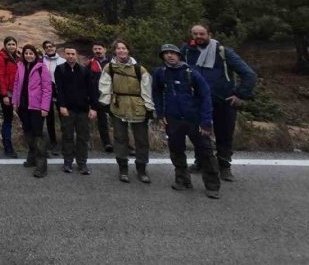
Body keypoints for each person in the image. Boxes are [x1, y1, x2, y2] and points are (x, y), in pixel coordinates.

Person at [182, 24, 257, 182]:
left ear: (209, 34)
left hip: (223, 100)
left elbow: (249, 74)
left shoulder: (223, 52)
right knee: (199, 134)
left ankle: (224, 167)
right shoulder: (188, 51)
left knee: (224, 135)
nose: (198, 36)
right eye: (195, 34)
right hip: (199, 101)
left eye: (202, 33)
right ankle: (201, 162)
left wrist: (239, 94)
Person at [153, 43, 220, 199]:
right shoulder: (160, 73)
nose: (170, 55)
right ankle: (182, 180)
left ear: (179, 55)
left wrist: (206, 121)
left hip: (195, 119)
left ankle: (212, 185)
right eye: (166, 53)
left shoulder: (191, 73)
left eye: (173, 52)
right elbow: (156, 93)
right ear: (162, 56)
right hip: (173, 119)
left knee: (206, 152)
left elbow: (205, 97)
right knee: (176, 151)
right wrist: (160, 113)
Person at [98, 40, 155, 183]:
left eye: (124, 48)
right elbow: (104, 86)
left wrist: (149, 108)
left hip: (138, 107)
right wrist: (105, 104)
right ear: (115, 51)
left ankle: (141, 169)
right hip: (118, 106)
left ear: (128, 51)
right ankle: (123, 169)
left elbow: (147, 90)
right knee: (120, 139)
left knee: (142, 140)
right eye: (118, 48)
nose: (121, 51)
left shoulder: (139, 69)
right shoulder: (109, 68)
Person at [54, 45, 97, 175]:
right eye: (68, 54)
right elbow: (59, 90)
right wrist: (61, 105)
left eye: (73, 54)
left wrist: (94, 107)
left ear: (76, 55)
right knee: (67, 136)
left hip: (83, 109)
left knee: (83, 137)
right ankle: (67, 162)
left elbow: (92, 90)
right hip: (68, 109)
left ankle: (82, 163)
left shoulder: (84, 70)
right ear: (64, 55)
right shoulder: (60, 69)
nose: (70, 56)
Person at [11, 44, 52, 178]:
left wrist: (45, 107)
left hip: (36, 107)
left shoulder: (41, 68)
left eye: (31, 53)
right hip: (23, 106)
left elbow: (47, 89)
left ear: (35, 55)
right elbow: (16, 84)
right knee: (28, 131)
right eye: (26, 53)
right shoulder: (20, 66)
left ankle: (42, 164)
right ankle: (32, 155)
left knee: (38, 133)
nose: (28, 55)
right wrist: (15, 102)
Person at [0, 37, 20, 158]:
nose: (11, 46)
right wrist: (4, 94)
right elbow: (0, 77)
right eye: (9, 44)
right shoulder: (1, 59)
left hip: (19, 93)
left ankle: (34, 145)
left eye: (13, 44)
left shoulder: (19, 58)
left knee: (27, 118)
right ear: (5, 46)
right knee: (8, 119)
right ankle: (8, 146)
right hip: (7, 94)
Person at [41, 40, 66, 155]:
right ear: (44, 49)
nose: (49, 48)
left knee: (63, 117)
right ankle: (53, 141)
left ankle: (66, 141)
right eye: (47, 47)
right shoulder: (41, 61)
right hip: (46, 92)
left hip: (60, 91)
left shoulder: (62, 61)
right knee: (49, 118)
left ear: (55, 48)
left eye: (51, 46)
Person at [88, 41, 113, 152]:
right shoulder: (90, 64)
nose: (97, 51)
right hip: (99, 96)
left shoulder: (113, 61)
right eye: (95, 49)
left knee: (119, 121)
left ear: (105, 49)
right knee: (102, 120)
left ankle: (126, 144)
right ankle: (107, 143)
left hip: (113, 95)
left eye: (99, 48)